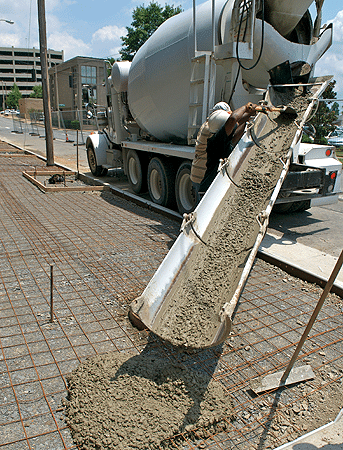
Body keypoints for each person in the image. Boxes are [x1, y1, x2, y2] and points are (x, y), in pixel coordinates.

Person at [190, 101, 258, 202]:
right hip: (206, 183)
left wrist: (250, 114)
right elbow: (233, 120)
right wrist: (246, 108)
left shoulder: (217, 133)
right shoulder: (215, 139)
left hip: (201, 176)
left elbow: (234, 128)